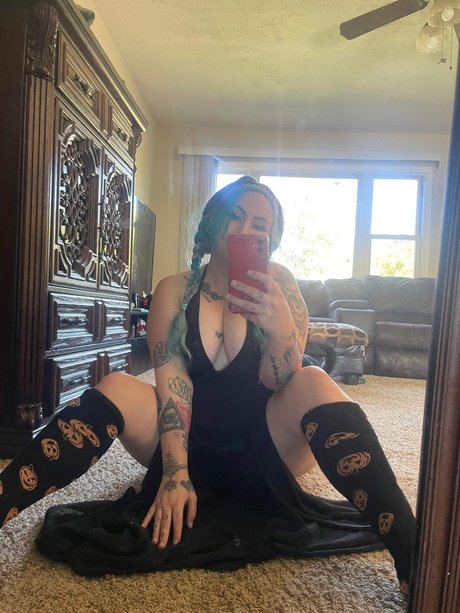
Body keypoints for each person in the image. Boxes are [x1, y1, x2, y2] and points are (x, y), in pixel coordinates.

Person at [0, 176, 415, 597]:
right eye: (235, 216)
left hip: (265, 443)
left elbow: (278, 381)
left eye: (259, 226)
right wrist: (175, 473)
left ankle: (411, 550)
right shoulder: (175, 290)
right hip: (187, 437)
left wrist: (282, 330)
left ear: (269, 240)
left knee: (313, 380)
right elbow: (173, 383)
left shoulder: (282, 286)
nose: (244, 230)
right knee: (117, 385)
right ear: (213, 221)